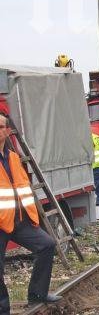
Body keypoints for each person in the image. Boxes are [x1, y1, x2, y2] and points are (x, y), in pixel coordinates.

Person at [0, 115, 61, 311]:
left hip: (19, 220)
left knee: (47, 245)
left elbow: (23, 187)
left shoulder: (14, 157)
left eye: (0, 126)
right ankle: (3, 308)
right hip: (1, 222)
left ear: (7, 131)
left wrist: (31, 215)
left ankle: (37, 294)